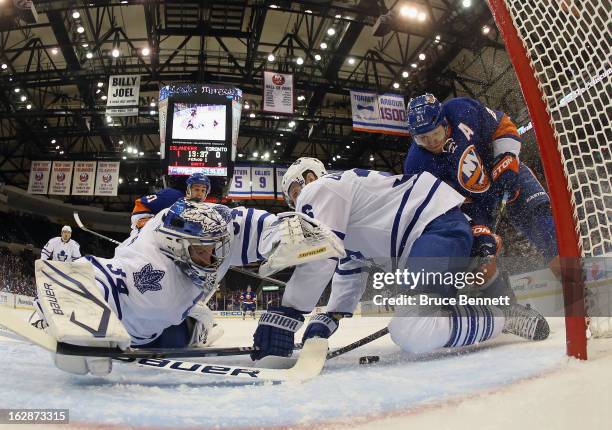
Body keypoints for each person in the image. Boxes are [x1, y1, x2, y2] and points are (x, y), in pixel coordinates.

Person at [250, 157, 549, 361]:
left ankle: (501, 316)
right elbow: (348, 271)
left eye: (295, 190)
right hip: (435, 232)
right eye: (293, 195)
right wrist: (331, 317)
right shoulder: (345, 210)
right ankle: (488, 303)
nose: (298, 198)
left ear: (309, 178)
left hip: (432, 230)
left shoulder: (319, 190)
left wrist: (289, 315)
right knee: (414, 321)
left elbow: (318, 258)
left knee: (411, 329)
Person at [33, 198, 279, 376]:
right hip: (139, 331)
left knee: (186, 321)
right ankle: (199, 327)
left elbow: (239, 224)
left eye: (212, 249)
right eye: (202, 251)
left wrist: (277, 230)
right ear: (177, 246)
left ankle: (199, 324)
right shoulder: (151, 269)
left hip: (162, 323)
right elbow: (92, 277)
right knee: (178, 330)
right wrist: (77, 320)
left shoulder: (199, 229)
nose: (211, 259)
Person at [402, 95, 558, 279]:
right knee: (479, 260)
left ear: (444, 122)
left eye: (435, 134)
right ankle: (501, 304)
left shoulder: (462, 109)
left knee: (538, 220)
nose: (432, 142)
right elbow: (442, 209)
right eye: (423, 139)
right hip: (475, 206)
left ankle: (574, 276)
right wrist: (475, 227)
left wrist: (506, 157)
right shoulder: (416, 165)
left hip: (503, 170)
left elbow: (502, 124)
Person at [131, 173, 210, 230]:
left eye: (203, 190)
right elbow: (140, 202)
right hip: (145, 220)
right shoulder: (173, 196)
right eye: (196, 189)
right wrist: (143, 221)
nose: (200, 194)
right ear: (188, 189)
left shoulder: (201, 207)